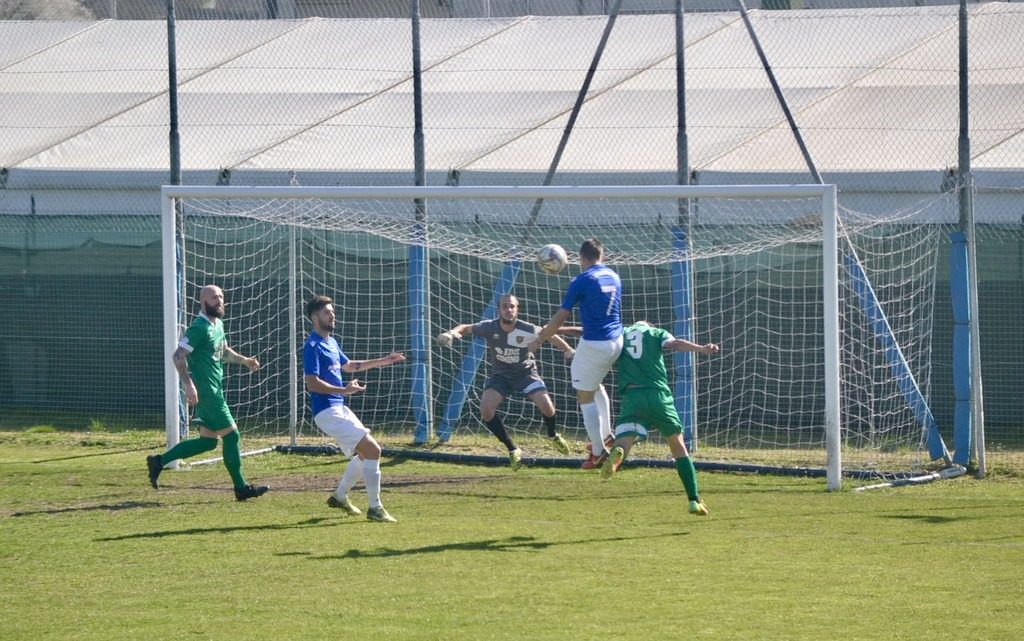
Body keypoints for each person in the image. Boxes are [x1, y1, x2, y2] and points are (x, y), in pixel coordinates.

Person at [147, 284, 268, 501]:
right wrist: (188, 384)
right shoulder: (198, 328)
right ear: (203, 302)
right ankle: (241, 488)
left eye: (221, 296)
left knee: (208, 441)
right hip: (208, 392)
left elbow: (222, 352)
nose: (219, 300)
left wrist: (245, 361)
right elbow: (178, 356)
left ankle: (159, 461)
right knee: (232, 435)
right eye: (214, 297)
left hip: (215, 389)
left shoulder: (218, 324)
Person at [437, 294, 576, 468]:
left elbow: (550, 335)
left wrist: (568, 350)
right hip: (501, 376)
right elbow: (466, 327)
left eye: (512, 306)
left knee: (547, 407)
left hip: (525, 374)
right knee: (486, 410)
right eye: (505, 306)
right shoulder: (489, 327)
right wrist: (452, 333)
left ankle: (553, 435)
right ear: (499, 310)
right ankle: (512, 449)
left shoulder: (527, 328)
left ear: (517, 309)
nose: (508, 310)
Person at [304, 294, 405, 523]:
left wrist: (385, 360)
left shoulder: (331, 342)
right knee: (374, 450)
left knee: (365, 453)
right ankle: (375, 508)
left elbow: (349, 366)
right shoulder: (312, 346)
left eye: (333, 312)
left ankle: (340, 497)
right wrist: (344, 391)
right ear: (315, 317)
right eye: (327, 312)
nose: (333, 315)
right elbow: (312, 383)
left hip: (338, 408)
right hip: (327, 412)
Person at [601, 321, 719, 517]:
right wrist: (701, 348)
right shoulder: (656, 333)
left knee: (625, 439)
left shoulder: (621, 332)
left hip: (632, 395)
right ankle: (693, 500)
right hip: (658, 396)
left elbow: (589, 333)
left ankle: (618, 453)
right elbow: (675, 344)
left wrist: (558, 330)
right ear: (649, 325)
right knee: (678, 446)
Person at [529, 238, 623, 469]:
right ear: (602, 255)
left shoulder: (582, 280)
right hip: (616, 341)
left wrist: (541, 338)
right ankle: (606, 435)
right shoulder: (613, 275)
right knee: (595, 385)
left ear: (581, 258)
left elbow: (562, 315)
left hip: (595, 345)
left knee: (584, 397)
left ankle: (598, 452)